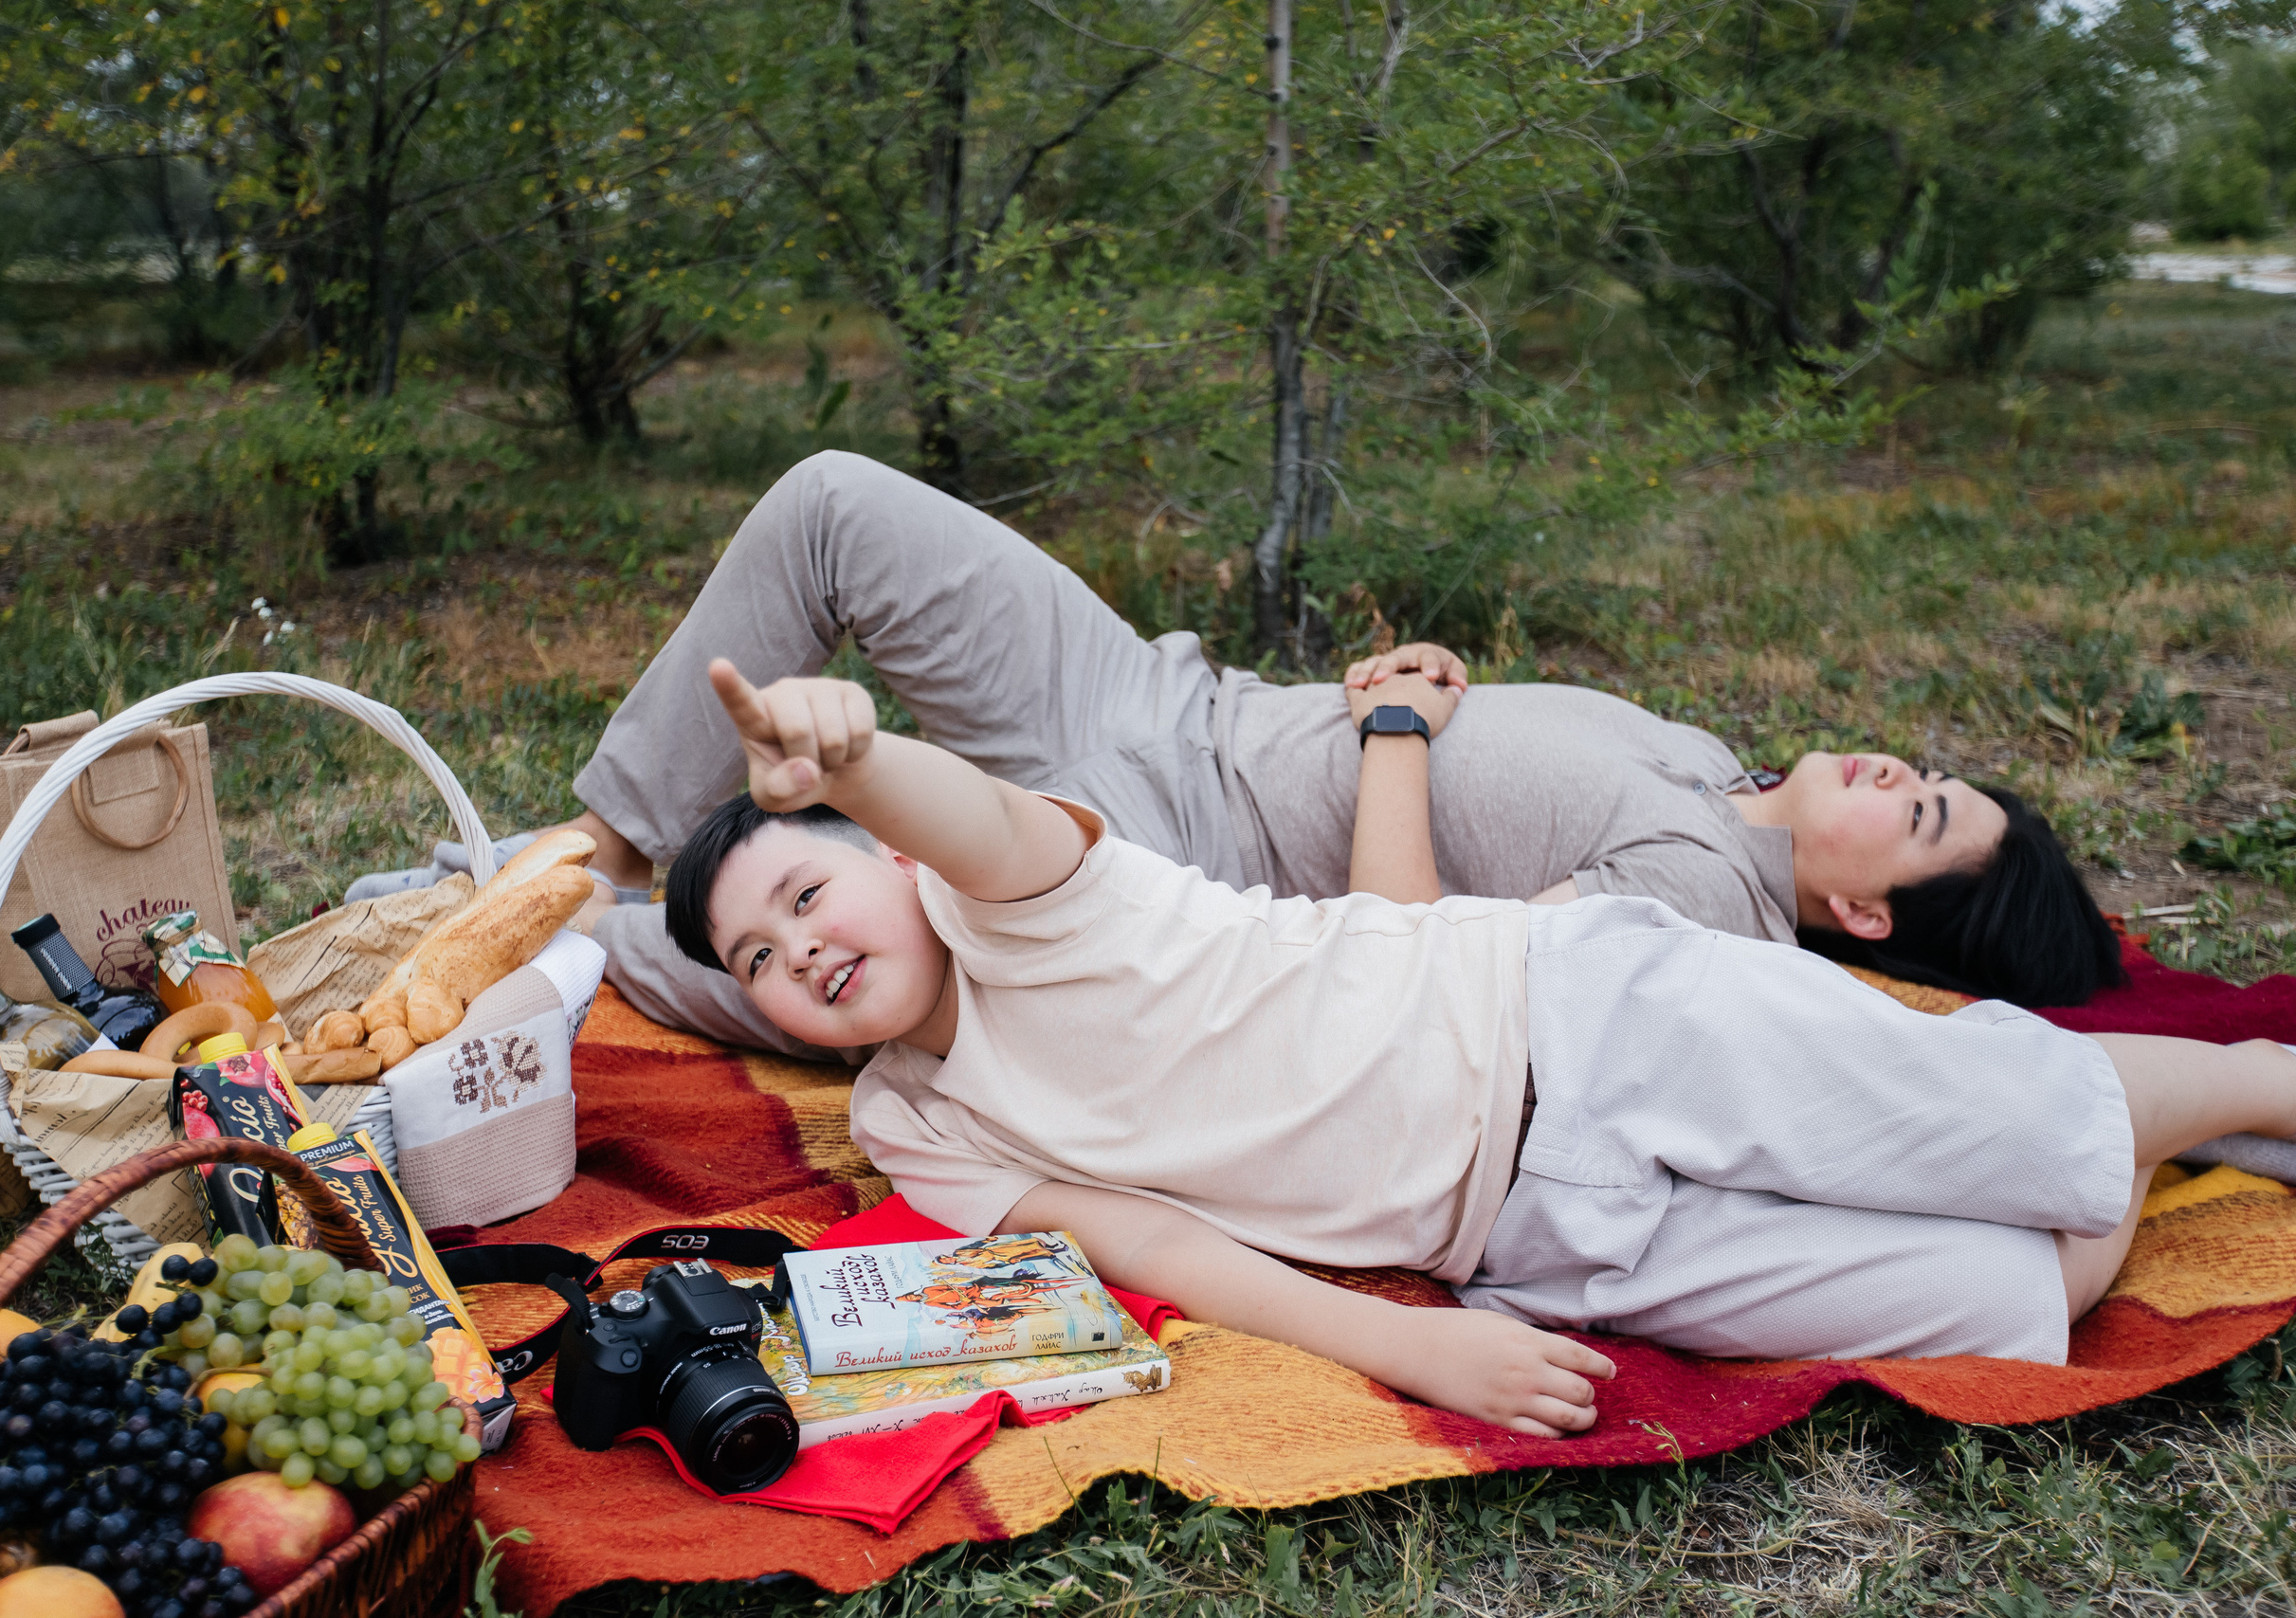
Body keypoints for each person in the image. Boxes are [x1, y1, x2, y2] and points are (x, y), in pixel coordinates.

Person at [663, 657, 2296, 1435]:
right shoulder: (913, 1123)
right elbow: (1148, 1240)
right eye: (760, 959)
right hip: (1526, 1238)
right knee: (2027, 1294)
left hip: (1577, 1019)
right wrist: (1417, 1348)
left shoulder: (1017, 896)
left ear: (887, 862)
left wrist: (858, 760)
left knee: (2013, 1113)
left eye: (805, 886)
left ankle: (2255, 1092)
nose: (796, 948)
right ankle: (2126, 1144)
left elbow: (977, 815)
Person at [352, 450, 2122, 1056]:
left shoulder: (1710, 910)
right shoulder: (1712, 762)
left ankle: (565, 945)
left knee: (863, 954)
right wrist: (1411, 681)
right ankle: (583, 851)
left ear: (1871, 922)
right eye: (1929, 766)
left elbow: (1418, 965)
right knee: (833, 508)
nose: (1898, 770)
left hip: (1169, 844)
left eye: (1923, 815)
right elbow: (1465, 749)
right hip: (1166, 690)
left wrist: (1410, 735)